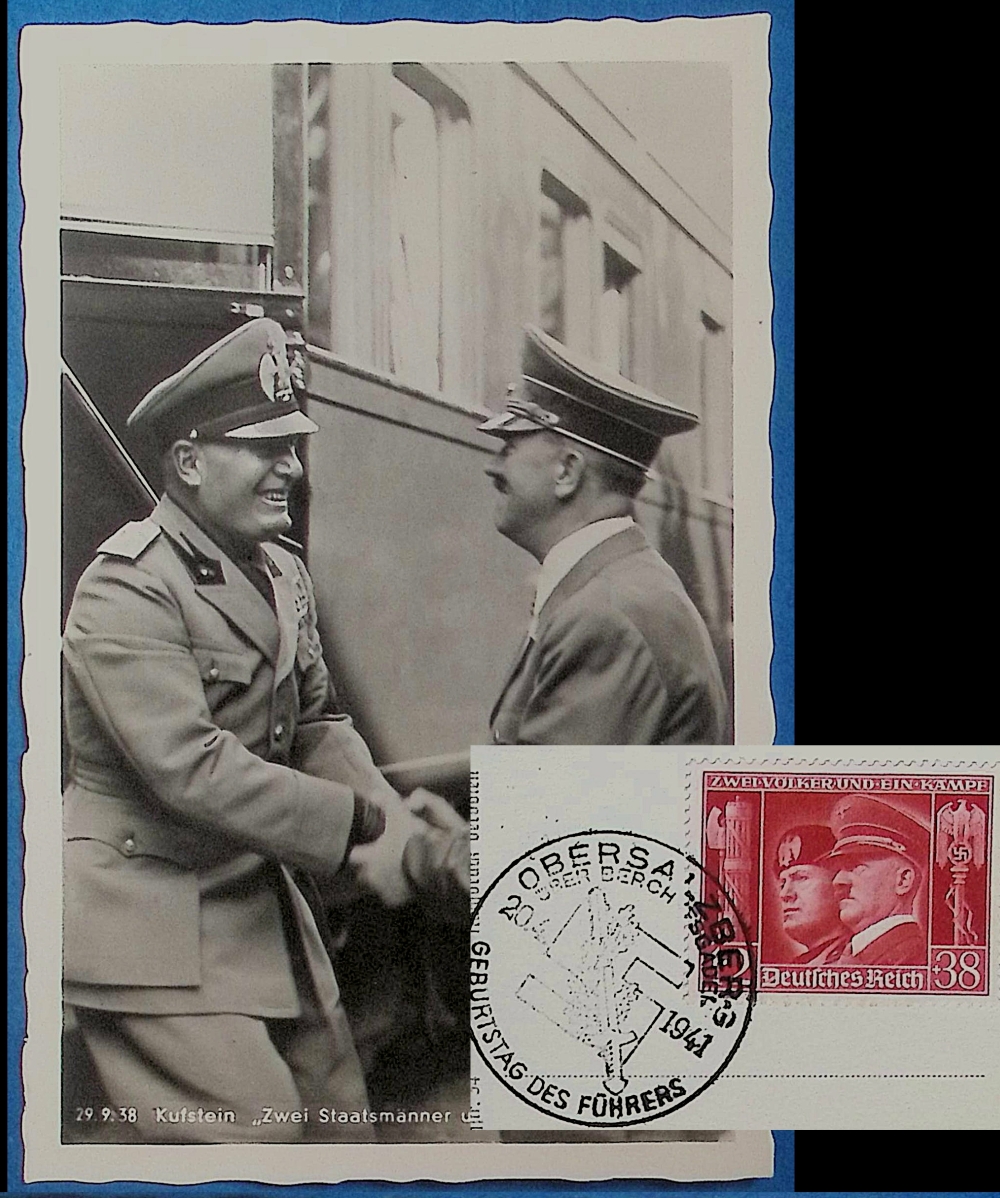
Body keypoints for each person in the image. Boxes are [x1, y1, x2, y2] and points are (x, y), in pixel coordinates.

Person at [62, 318, 416, 1143]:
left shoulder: (280, 571)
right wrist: (357, 822)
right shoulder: (126, 587)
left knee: (340, 1131)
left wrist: (396, 821)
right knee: (257, 1141)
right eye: (264, 447)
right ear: (190, 463)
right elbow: (190, 768)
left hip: (255, 903)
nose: (290, 466)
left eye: (291, 445)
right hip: (151, 921)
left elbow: (317, 720)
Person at [479, 325, 727, 745]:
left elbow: (545, 791)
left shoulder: (607, 619)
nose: (493, 466)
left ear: (567, 471)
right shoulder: (613, 590)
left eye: (510, 445)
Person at [824, 796, 929, 966]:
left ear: (903, 880)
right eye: (839, 869)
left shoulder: (911, 958)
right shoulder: (853, 955)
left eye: (858, 867)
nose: (838, 881)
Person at [773, 824, 850, 964]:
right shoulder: (804, 963)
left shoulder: (860, 958)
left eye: (801, 878)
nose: (785, 894)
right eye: (782, 883)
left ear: (839, 883)